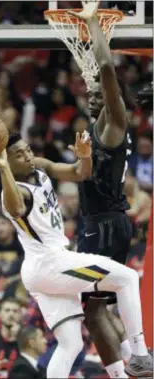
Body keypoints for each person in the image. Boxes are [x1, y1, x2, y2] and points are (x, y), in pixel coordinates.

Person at [0, 127, 153, 378]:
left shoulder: (36, 166)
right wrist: (2, 167)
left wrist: (84, 156)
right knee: (127, 278)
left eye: (27, 150)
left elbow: (80, 173)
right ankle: (138, 355)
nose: (27, 156)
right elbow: (16, 207)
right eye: (19, 155)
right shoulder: (12, 193)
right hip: (50, 263)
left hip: (42, 269)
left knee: (71, 345)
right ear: (6, 161)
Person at [68, 2, 146, 377]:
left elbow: (106, 68)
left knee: (93, 309)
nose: (94, 98)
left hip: (102, 224)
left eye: (101, 95)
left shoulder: (114, 122)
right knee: (99, 306)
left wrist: (94, 25)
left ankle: (133, 364)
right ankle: (136, 359)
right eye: (91, 95)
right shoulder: (101, 130)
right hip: (108, 220)